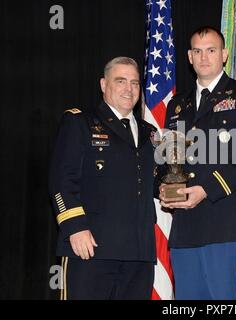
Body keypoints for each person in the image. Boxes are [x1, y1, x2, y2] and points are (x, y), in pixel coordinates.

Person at [158, 26, 236, 300]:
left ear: (224, 54)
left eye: (211, 50)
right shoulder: (177, 105)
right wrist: (161, 188)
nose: (204, 57)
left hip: (226, 225)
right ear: (189, 56)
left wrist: (207, 189)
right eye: (197, 51)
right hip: (185, 228)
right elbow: (165, 159)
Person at [49, 57, 157, 299]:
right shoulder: (80, 122)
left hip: (139, 253)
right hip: (91, 247)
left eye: (135, 83)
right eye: (120, 81)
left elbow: (153, 182)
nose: (129, 89)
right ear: (103, 84)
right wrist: (74, 227)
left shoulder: (150, 133)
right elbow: (61, 180)